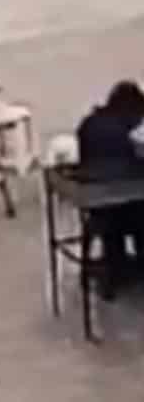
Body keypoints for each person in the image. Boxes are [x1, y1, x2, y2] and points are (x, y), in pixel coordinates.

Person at [76, 81, 144, 298]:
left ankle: (113, 271)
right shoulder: (132, 129)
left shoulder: (88, 124)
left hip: (96, 205)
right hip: (132, 207)